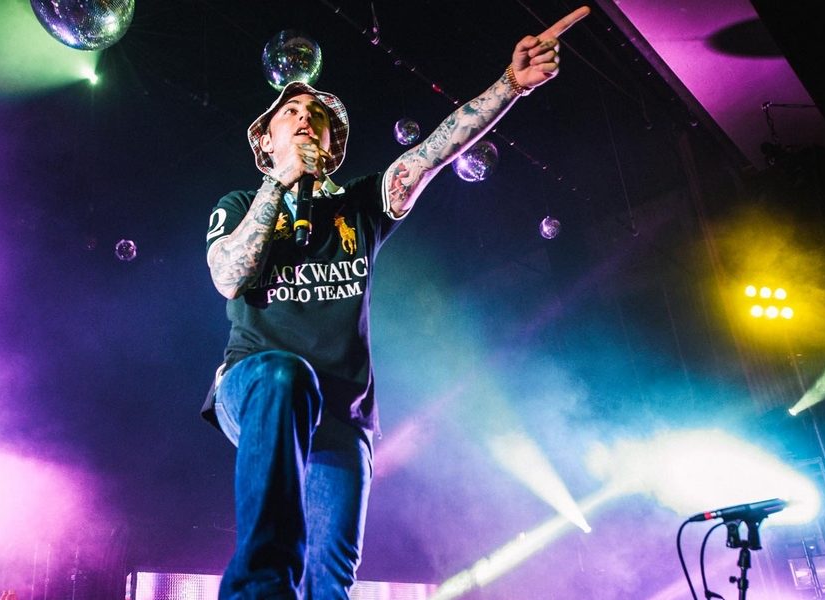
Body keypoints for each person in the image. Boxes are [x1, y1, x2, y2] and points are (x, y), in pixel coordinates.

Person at [201, 7, 591, 598]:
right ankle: (258, 587)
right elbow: (229, 279)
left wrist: (511, 83)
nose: (305, 119)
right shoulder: (237, 203)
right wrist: (277, 184)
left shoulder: (361, 205)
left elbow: (432, 152)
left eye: (317, 116)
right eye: (291, 113)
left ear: (331, 145)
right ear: (265, 140)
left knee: (330, 583)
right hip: (256, 387)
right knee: (285, 376)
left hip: (343, 414)